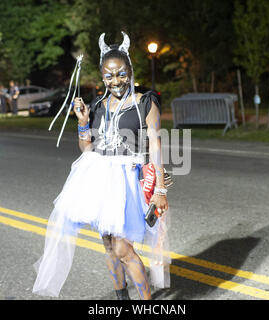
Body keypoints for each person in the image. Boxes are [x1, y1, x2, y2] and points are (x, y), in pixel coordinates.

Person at [32, 32, 170, 300]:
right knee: (108, 246)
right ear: (101, 76)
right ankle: (122, 298)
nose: (115, 81)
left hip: (130, 181)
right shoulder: (97, 105)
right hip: (101, 183)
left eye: (120, 74)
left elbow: (155, 145)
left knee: (123, 249)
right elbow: (87, 148)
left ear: (130, 71)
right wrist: (83, 121)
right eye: (108, 76)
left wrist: (160, 189)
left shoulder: (144, 103)